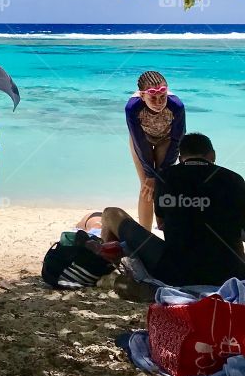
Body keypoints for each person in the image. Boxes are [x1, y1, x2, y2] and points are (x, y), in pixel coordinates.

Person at [102, 132, 245, 286]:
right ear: (213, 155)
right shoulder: (235, 179)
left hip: (175, 273)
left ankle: (103, 269)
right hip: (232, 273)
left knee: (111, 214)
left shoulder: (165, 177)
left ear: (180, 158)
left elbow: (162, 224)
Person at [125, 70, 186, 229]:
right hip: (141, 141)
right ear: (142, 96)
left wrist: (160, 174)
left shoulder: (177, 106)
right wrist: (151, 175)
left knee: (162, 185)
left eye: (162, 97)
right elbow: (139, 142)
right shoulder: (132, 108)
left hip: (166, 139)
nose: (159, 102)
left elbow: (177, 140)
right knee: (146, 186)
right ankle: (144, 236)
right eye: (153, 98)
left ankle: (165, 229)